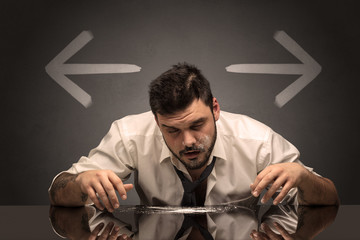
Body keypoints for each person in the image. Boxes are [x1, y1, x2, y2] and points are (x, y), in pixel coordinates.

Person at [49, 63, 339, 212]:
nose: (188, 141)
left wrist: (302, 177)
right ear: (156, 121)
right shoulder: (130, 134)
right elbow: (58, 193)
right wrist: (80, 183)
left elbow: (330, 199)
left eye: (197, 125)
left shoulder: (257, 140)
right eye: (172, 130)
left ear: (215, 108)